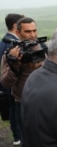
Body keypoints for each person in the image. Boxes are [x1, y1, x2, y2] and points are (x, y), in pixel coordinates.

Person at [0, 17, 47, 147]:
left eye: (34, 31)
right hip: (23, 102)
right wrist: (15, 65)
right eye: (27, 32)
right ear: (18, 32)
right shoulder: (11, 53)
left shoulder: (43, 48)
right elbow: (5, 83)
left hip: (46, 100)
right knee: (27, 140)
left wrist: (42, 66)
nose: (32, 35)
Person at [0, 13, 24, 146]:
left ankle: (17, 137)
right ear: (15, 26)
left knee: (12, 109)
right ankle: (18, 137)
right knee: (15, 109)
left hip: (5, 82)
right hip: (11, 82)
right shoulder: (12, 43)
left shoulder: (3, 40)